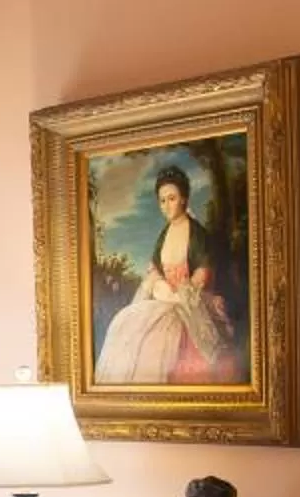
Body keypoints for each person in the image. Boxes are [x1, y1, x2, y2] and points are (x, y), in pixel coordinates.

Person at [92, 165, 241, 385]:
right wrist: (161, 287)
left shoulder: (197, 233)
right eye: (162, 200)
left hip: (191, 301)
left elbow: (203, 273)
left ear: (184, 199)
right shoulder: (165, 234)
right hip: (166, 299)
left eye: (171, 199)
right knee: (125, 324)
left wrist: (181, 294)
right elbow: (155, 270)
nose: (166, 206)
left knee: (184, 350)